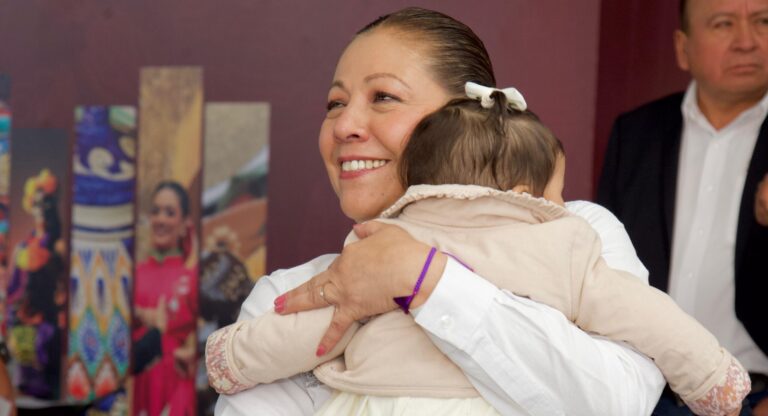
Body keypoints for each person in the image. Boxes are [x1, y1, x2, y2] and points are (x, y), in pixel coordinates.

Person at [215, 7, 666, 416]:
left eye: (383, 97)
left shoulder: (574, 234)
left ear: (467, 115)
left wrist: (426, 279)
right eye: (335, 103)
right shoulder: (289, 294)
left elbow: (619, 403)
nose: (346, 126)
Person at [209, 85, 749, 415]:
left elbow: (316, 330)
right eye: (554, 193)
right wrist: (711, 378)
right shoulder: (563, 240)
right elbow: (648, 317)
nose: (562, 205)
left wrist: (232, 359)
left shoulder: (385, 244)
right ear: (522, 194)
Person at [597, 0, 768, 414]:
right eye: (723, 24)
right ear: (682, 47)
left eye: (763, 21)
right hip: (642, 392)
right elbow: (599, 271)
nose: (747, 42)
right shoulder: (635, 134)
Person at [132, 181, 197, 416]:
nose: (160, 219)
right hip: (134, 383)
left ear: (184, 224)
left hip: (175, 389)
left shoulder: (192, 278)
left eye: (170, 213)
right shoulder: (132, 274)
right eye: (156, 211)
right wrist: (137, 314)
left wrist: (194, 353)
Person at [5, 168, 66, 400]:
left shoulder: (59, 249)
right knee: (24, 392)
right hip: (23, 332)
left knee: (46, 396)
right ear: (31, 205)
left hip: (50, 334)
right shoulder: (22, 248)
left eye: (49, 202)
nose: (44, 209)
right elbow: (12, 291)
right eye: (39, 203)